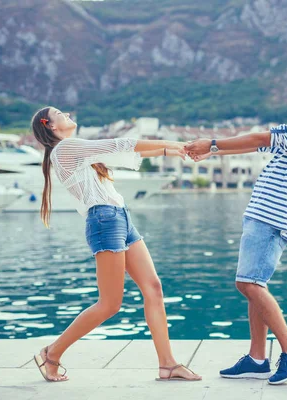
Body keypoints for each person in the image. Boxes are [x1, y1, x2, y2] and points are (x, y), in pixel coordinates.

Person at [185, 62, 287, 385]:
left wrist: (213, 143)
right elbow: (261, 143)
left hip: (274, 214)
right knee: (252, 282)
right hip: (265, 210)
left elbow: (261, 136)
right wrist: (212, 153)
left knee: (249, 284)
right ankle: (258, 359)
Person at [30, 106, 201, 383]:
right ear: (49, 125)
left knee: (153, 288)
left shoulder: (80, 151)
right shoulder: (66, 149)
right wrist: (178, 144)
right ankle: (51, 353)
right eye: (61, 113)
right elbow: (123, 143)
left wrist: (176, 151)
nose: (68, 113)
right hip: (104, 220)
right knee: (110, 304)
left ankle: (168, 365)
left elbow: (130, 153)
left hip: (120, 217)